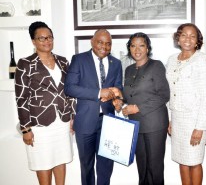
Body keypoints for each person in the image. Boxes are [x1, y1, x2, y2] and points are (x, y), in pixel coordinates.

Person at [14, 21, 75, 185]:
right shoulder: (25, 64)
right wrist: (25, 129)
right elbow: (21, 98)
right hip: (39, 125)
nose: (46, 41)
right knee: (43, 163)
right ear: (33, 41)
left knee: (60, 160)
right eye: (41, 38)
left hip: (61, 121)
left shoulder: (63, 62)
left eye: (49, 37)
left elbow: (69, 91)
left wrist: (72, 116)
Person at [64, 29, 122, 185]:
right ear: (92, 41)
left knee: (106, 166)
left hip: (108, 122)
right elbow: (69, 88)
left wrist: (118, 98)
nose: (104, 46)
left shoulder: (116, 63)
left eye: (108, 43)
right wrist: (98, 93)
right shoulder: (79, 60)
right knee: (87, 166)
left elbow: (118, 88)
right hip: (85, 122)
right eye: (100, 42)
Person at [165, 23, 206, 185]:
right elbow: (170, 92)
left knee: (194, 161)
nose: (188, 39)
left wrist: (200, 127)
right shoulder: (171, 60)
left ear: (197, 41)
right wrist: (170, 119)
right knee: (182, 160)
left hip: (195, 120)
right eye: (184, 35)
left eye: (192, 36)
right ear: (178, 38)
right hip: (178, 118)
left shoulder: (202, 60)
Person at [120, 32, 170, 185]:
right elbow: (129, 94)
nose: (137, 49)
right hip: (136, 125)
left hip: (154, 124)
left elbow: (164, 95)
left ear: (147, 48)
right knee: (142, 167)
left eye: (141, 45)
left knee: (155, 168)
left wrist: (137, 108)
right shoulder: (128, 70)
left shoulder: (156, 65)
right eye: (133, 46)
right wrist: (119, 100)